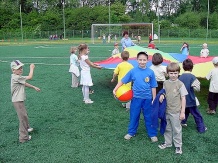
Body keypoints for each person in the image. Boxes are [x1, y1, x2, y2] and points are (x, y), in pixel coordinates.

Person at [113, 51, 158, 142]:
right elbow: (122, 81)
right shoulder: (133, 71)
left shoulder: (150, 72)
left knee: (149, 116)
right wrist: (115, 89)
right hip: (136, 98)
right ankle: (131, 132)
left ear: (147, 60)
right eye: (140, 60)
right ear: (137, 60)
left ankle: (152, 134)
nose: (142, 62)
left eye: (144, 60)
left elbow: (153, 86)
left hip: (147, 98)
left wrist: (154, 98)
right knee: (134, 116)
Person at [158, 62, 188, 154]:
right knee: (167, 128)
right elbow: (164, 91)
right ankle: (168, 143)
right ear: (167, 73)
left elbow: (183, 98)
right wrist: (162, 95)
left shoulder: (180, 84)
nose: (173, 75)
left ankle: (178, 146)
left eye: (175, 73)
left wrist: (182, 112)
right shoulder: (166, 83)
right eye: (171, 73)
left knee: (177, 129)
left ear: (178, 73)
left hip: (176, 111)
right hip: (166, 110)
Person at [10, 60, 40, 143]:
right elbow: (30, 77)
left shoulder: (17, 77)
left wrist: (33, 87)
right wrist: (32, 68)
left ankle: (27, 128)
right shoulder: (16, 77)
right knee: (22, 118)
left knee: (24, 115)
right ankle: (23, 138)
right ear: (13, 70)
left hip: (19, 100)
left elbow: (24, 83)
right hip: (17, 101)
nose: (21, 69)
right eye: (18, 68)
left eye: (21, 68)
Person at [179, 59, 207, 133]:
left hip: (182, 100)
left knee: (185, 111)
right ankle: (201, 128)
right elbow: (197, 88)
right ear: (192, 67)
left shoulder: (180, 77)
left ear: (183, 67)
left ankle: (182, 122)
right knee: (197, 115)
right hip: (191, 100)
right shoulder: (192, 77)